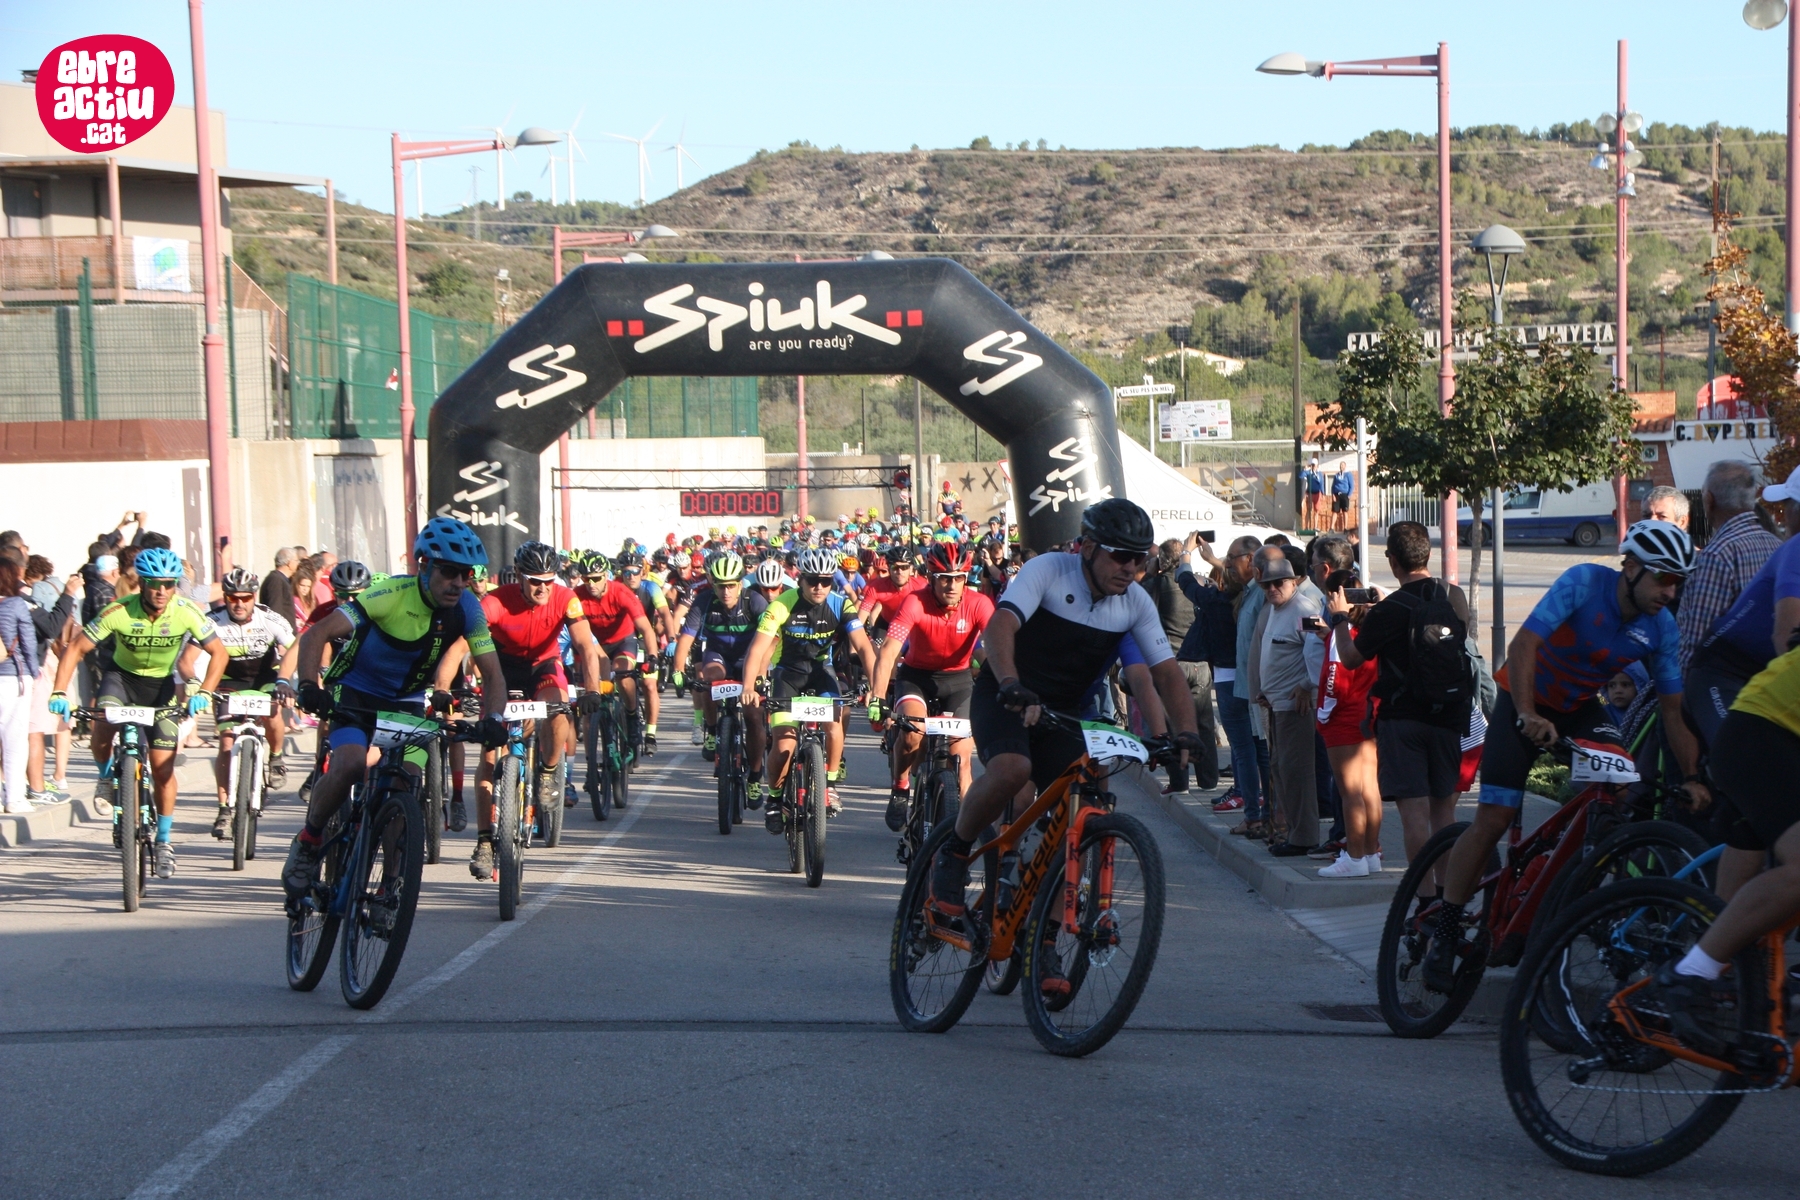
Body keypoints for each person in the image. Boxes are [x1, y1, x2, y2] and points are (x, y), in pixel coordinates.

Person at [1419, 520, 1705, 992]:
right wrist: (1527, 713)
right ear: (1631, 567)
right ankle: (1446, 930)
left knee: (1622, 788)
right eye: (1664, 578)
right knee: (1493, 819)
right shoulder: (1584, 583)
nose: (1670, 592)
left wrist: (1692, 776)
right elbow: (1523, 645)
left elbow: (1673, 712)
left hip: (1578, 708)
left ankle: (1568, 888)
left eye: (1679, 582)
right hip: (1523, 697)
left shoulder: (1660, 628)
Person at [928, 499, 1203, 967]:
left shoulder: (1134, 601)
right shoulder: (1049, 571)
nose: (1131, 567)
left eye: (1139, 558)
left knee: (1085, 803)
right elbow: (1000, 626)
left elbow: (1166, 673)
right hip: (1008, 692)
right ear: (1089, 548)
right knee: (1014, 769)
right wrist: (1011, 682)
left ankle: (1047, 940)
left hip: (1063, 711)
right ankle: (954, 851)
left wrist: (1185, 734)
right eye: (1120, 555)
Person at [279, 518, 509, 902]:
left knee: (406, 785)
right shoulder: (389, 594)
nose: (458, 582)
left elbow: (494, 674)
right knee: (350, 764)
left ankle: (391, 887)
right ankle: (308, 841)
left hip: (406, 701)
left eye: (466, 574)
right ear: (424, 566)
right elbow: (317, 633)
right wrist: (307, 686)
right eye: (449, 571)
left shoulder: (468, 608)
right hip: (357, 692)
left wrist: (495, 719)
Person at [49, 547, 230, 877]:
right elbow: (76, 648)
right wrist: (59, 690)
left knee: (163, 770)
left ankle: (164, 841)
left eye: (168, 584)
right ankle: (106, 777)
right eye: (154, 583)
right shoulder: (119, 610)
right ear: (142, 583)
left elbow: (219, 653)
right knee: (102, 729)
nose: (161, 591)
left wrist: (204, 691)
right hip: (121, 681)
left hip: (160, 688)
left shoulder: (186, 611)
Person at [1325, 521, 1470, 872]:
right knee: (1443, 812)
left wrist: (1340, 619)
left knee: (1414, 815)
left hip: (1403, 720)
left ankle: (1423, 895)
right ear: (1427, 554)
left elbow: (1351, 658)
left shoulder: (1389, 610)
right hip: (1449, 714)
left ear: (1392, 561)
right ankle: (1447, 894)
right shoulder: (1454, 596)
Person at [461, 541, 606, 881]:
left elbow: (585, 646)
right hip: (503, 671)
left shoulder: (565, 598)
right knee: (489, 755)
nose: (543, 588)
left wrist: (592, 690)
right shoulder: (495, 601)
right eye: (534, 581)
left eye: (548, 581)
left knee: (559, 708)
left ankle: (549, 771)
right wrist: (444, 686)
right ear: (518, 576)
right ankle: (484, 841)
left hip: (543, 665)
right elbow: (462, 643)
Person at [741, 547, 877, 823]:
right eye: (812, 580)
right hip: (787, 674)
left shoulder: (841, 605)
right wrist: (748, 687)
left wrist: (877, 689)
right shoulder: (781, 605)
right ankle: (775, 798)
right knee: (784, 744)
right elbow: (757, 649)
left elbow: (864, 647)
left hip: (820, 672)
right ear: (801, 579)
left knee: (834, 726)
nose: (819, 587)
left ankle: (830, 785)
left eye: (825, 581)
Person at [867, 541, 994, 830]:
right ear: (931, 578)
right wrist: (877, 697)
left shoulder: (979, 603)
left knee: (962, 761)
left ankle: (962, 837)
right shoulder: (915, 601)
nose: (952, 585)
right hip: (917, 678)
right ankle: (901, 787)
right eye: (944, 579)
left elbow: (997, 646)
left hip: (958, 681)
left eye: (958, 578)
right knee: (913, 733)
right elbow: (888, 651)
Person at [205, 568, 300, 838]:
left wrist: (287, 681)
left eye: (245, 598)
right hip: (229, 682)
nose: (239, 604)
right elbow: (188, 658)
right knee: (226, 744)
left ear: (253, 597)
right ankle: (224, 809)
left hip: (264, 679)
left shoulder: (269, 618)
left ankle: (276, 757)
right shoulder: (212, 621)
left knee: (273, 713)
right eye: (232, 598)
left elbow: (296, 647)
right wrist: (196, 687)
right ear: (225, 598)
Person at [671, 551, 771, 800]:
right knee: (707, 680)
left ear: (740, 584)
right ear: (713, 585)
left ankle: (755, 776)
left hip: (749, 659)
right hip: (719, 656)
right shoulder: (704, 601)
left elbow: (771, 640)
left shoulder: (755, 601)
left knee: (753, 715)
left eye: (730, 586)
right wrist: (678, 670)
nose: (725, 592)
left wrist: (760, 673)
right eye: (720, 586)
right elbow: (686, 638)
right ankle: (714, 731)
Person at [1678, 460, 1780, 674]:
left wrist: (1683, 687)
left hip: (1726, 683)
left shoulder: (1718, 555)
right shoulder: (1778, 546)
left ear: (1709, 499)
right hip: (1772, 678)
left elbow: (1698, 642)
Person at [1312, 567, 1383, 876]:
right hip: (1368, 715)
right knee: (1370, 789)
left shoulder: (1342, 635)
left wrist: (1323, 715)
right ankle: (1370, 852)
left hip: (1343, 719)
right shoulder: (1367, 631)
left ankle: (1354, 858)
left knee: (1350, 791)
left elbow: (1334, 680)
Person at [1250, 552, 1322, 854]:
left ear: (1293, 582)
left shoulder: (1304, 609)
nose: (1272, 589)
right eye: (1266, 584)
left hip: (1296, 708)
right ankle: (1294, 834)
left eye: (1279, 583)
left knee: (1297, 774)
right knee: (1282, 771)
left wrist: (1306, 685)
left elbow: (1322, 652)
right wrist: (1265, 690)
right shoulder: (1275, 609)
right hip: (1277, 705)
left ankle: (1303, 838)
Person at [1146, 537, 1218, 793]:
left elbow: (1142, 609)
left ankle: (1179, 782)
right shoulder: (1198, 583)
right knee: (1204, 722)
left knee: (1172, 722)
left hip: (1170, 661)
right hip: (1199, 662)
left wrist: (1150, 574)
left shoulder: (1157, 584)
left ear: (1162, 561)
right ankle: (1208, 781)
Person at [574, 554, 661, 758]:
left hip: (623, 641)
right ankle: (590, 763)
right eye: (586, 579)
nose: (591, 584)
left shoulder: (621, 592)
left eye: (596, 578)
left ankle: (631, 717)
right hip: (593, 645)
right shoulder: (576, 596)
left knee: (623, 674)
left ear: (606, 576)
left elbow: (646, 628)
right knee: (589, 700)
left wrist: (652, 657)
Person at [0, 554, 40, 815]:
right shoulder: (16, 604)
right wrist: (34, 673)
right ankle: (14, 798)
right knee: (14, 739)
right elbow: (28, 642)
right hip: (13, 676)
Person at [259, 547, 297, 619]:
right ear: (289, 563)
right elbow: (275, 610)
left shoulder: (282, 579)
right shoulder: (275, 580)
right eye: (296, 560)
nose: (298, 563)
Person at [1329, 464, 1355, 533]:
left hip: (1345, 495)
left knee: (1345, 511)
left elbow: (1352, 486)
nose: (1341, 466)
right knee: (1335, 511)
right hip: (1337, 495)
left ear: (1345, 466)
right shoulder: (1336, 475)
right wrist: (1333, 495)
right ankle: (1331, 528)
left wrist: (1349, 495)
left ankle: (1345, 528)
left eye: (1343, 465)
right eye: (1340, 465)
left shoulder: (1348, 474)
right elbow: (1333, 486)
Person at [1302, 457, 1325, 531]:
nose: (1314, 466)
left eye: (1315, 465)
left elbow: (1321, 483)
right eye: (1312, 465)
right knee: (1309, 510)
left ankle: (1315, 526)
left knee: (1316, 511)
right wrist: (1305, 470)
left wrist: (1322, 493)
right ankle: (1306, 527)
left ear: (1317, 465)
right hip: (1310, 493)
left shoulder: (1319, 473)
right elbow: (1301, 476)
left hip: (1317, 493)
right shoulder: (1308, 472)